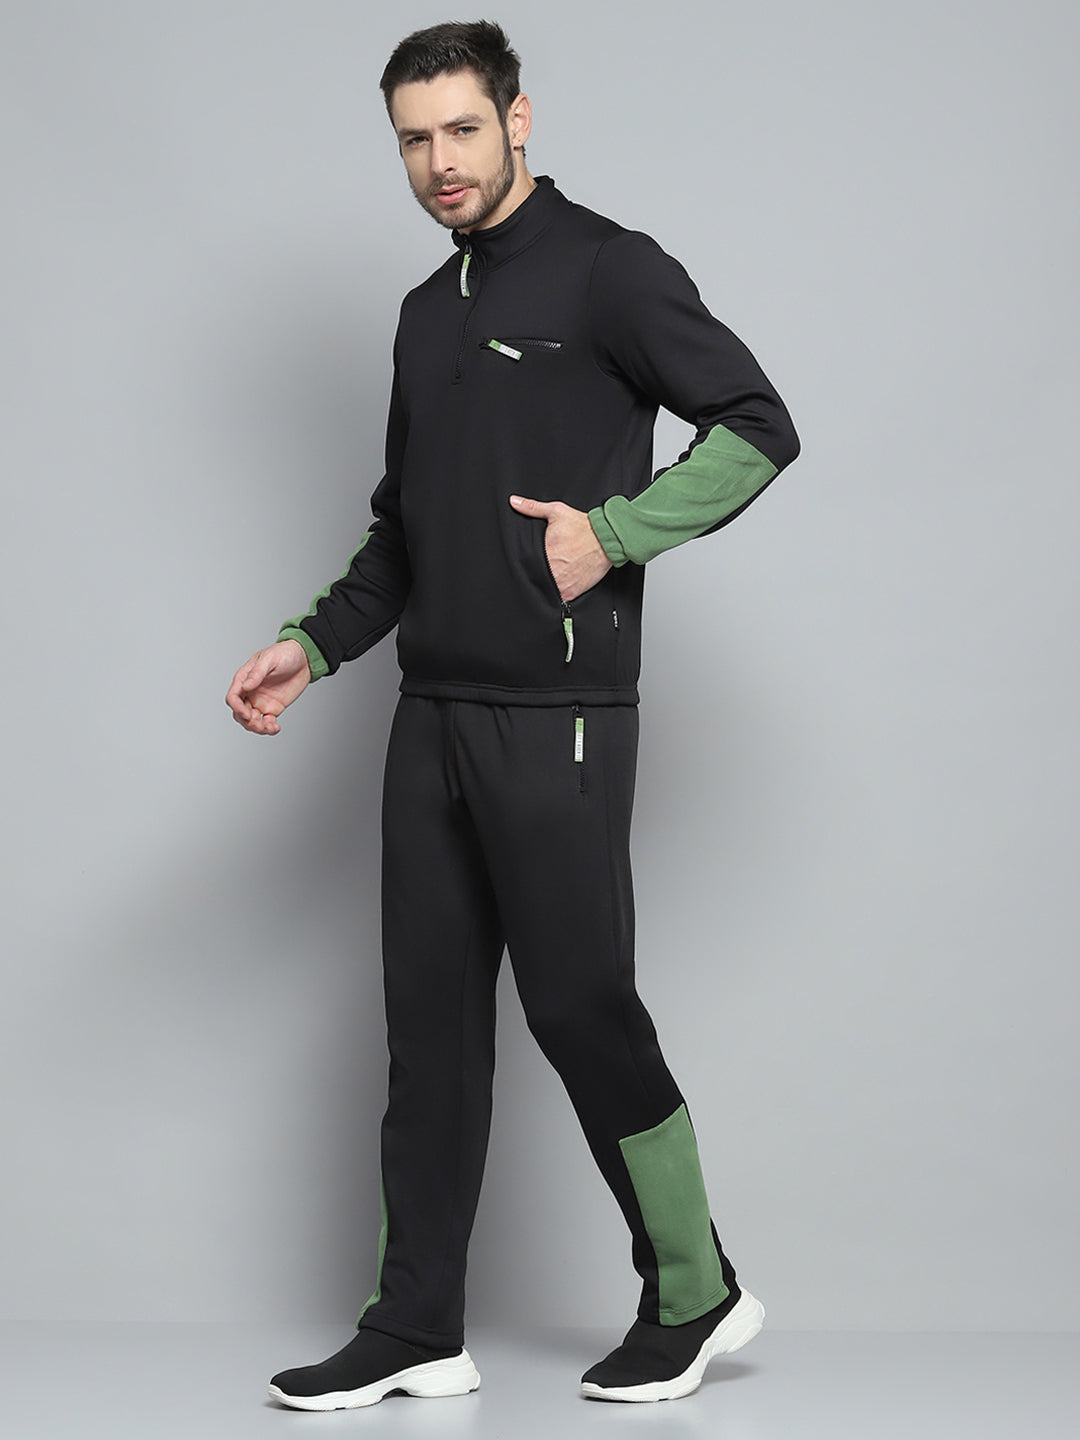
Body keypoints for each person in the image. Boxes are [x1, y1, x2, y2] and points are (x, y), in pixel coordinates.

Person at [226, 19, 799, 1411]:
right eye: (413, 140)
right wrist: (313, 644)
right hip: (429, 720)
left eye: (462, 130)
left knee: (581, 1004)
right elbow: (403, 530)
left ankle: (696, 1288)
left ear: (519, 119)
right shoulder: (426, 311)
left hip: (562, 718)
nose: (440, 162)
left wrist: (617, 532)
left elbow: (757, 425)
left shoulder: (610, 270)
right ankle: (416, 1321)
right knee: (427, 1029)